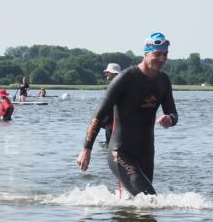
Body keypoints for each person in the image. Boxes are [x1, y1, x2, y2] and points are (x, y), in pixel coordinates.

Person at [76, 32, 178, 196]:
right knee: (149, 199)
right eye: (157, 54)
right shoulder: (125, 79)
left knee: (142, 210)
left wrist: (170, 119)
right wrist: (86, 149)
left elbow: (173, 112)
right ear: (146, 53)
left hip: (146, 154)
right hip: (120, 152)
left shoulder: (163, 80)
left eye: (165, 54)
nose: (161, 59)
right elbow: (98, 116)